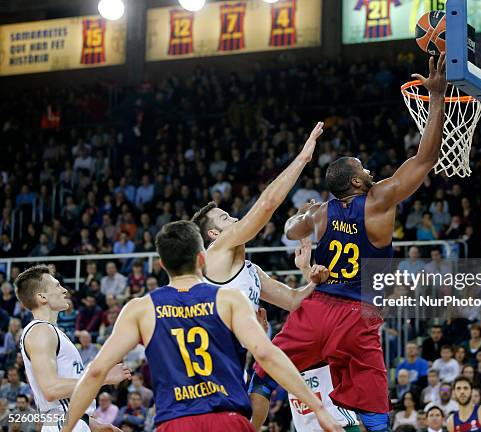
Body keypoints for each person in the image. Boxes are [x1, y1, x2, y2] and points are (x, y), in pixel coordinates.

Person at [249, 54, 448, 432]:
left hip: (317, 308)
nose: (370, 171)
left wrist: (301, 218)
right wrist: (436, 97)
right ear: (356, 183)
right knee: (374, 408)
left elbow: (290, 229)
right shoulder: (378, 199)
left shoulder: (320, 213)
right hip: (359, 315)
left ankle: (247, 427)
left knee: (265, 369)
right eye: (363, 168)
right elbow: (425, 158)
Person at [61, 221, 342, 432]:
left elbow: (97, 371)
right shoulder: (229, 300)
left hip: (175, 422)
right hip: (228, 419)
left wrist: (67, 428)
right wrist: (318, 407)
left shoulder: (140, 308)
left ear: (161, 264)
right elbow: (267, 355)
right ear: (201, 258)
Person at [191, 123, 356, 430]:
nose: (236, 218)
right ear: (214, 233)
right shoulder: (216, 250)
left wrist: (311, 276)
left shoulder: (251, 272)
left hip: (229, 368)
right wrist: (303, 158)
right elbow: (266, 205)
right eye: (226, 218)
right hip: (205, 375)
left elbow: (294, 301)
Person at [14, 265, 130, 431]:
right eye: (57, 286)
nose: (64, 291)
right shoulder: (40, 331)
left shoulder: (50, 331)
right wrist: (102, 378)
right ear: (42, 297)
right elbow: (51, 389)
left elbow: (61, 403)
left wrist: (94, 425)